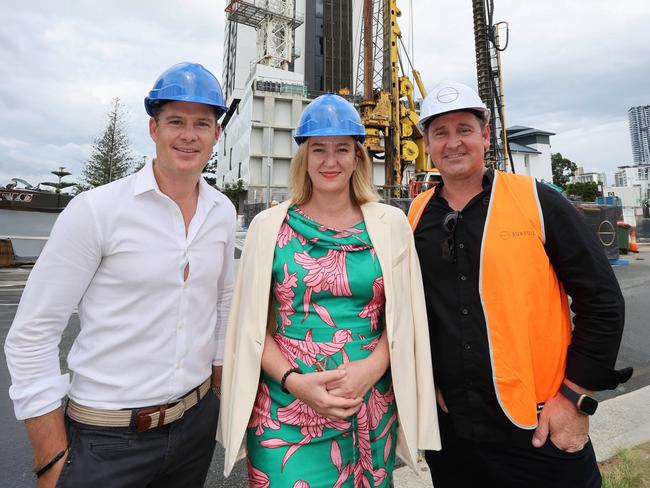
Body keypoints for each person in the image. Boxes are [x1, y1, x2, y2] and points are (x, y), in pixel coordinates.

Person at [4, 62, 236, 488]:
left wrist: (218, 382)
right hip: (106, 437)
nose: (189, 134)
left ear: (216, 135)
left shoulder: (222, 212)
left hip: (194, 427)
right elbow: (32, 334)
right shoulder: (96, 211)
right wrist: (51, 458)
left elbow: (221, 302)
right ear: (154, 128)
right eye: (176, 122)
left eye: (202, 123)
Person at [408, 80, 633, 487]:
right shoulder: (415, 216)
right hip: (454, 436)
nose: (453, 142)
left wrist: (573, 397)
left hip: (538, 429)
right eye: (440, 132)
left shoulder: (538, 201)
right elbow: (411, 313)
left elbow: (601, 300)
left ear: (485, 135)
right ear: (427, 143)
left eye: (464, 129)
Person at [218, 94, 440, 486]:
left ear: (358, 158)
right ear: (304, 158)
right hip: (285, 408)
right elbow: (252, 328)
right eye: (318, 149)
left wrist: (370, 370)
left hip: (367, 404)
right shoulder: (269, 227)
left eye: (342, 149)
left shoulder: (390, 225)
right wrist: (295, 382)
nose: (330, 161)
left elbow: (405, 317)